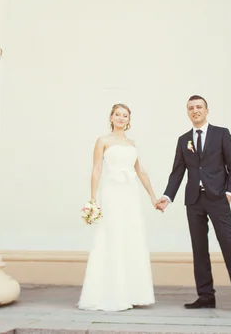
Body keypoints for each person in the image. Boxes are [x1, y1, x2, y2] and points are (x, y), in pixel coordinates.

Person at [156, 95, 231, 314]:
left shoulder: (222, 134)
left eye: (199, 107)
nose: (195, 110)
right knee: (199, 249)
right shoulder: (183, 140)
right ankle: (206, 296)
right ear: (187, 112)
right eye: (191, 108)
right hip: (194, 200)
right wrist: (167, 197)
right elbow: (178, 172)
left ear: (207, 110)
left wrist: (229, 192)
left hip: (218, 197)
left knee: (229, 244)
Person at [77, 103, 159, 311]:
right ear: (111, 118)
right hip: (112, 192)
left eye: (125, 115)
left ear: (128, 120)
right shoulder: (103, 141)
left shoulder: (132, 144)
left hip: (130, 194)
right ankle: (110, 293)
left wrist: (152, 196)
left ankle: (132, 292)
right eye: (117, 115)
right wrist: (93, 199)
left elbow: (141, 171)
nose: (121, 118)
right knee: (111, 235)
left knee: (131, 235)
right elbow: (96, 169)